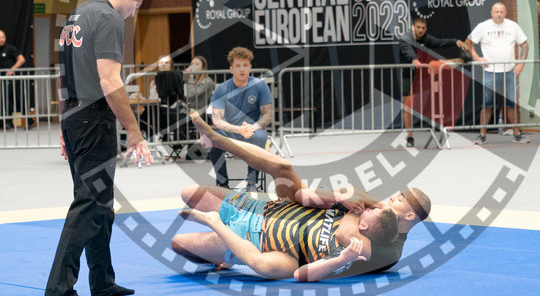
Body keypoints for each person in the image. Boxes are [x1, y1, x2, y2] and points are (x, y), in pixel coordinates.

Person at [173, 111, 431, 282]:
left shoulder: (391, 250)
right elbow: (310, 194)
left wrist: (357, 208)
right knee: (280, 169)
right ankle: (217, 140)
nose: (390, 199)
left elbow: (343, 236)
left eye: (398, 198)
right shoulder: (374, 209)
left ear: (409, 215)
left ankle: (224, 251)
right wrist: (348, 200)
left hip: (280, 244)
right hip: (284, 210)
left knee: (179, 244)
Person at [44, 0, 153, 296]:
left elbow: (63, 74)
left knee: (101, 203)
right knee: (90, 202)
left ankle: (102, 280)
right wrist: (133, 129)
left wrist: (65, 125)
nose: (134, 14)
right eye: (136, 5)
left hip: (75, 115)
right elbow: (109, 80)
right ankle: (60, 288)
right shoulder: (107, 17)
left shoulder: (75, 16)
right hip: (94, 119)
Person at [459, 2, 531, 144]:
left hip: (509, 73)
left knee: (511, 105)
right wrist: (477, 58)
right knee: (487, 105)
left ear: (505, 13)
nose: (499, 14)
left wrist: (521, 63)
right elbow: (468, 43)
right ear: (491, 13)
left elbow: (525, 45)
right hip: (490, 73)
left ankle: (517, 135)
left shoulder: (513, 26)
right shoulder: (483, 26)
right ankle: (482, 135)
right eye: (496, 11)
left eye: (501, 11)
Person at [207, 47, 273, 190]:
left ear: (250, 67)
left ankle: (252, 182)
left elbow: (268, 114)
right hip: (230, 131)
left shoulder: (260, 86)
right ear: (231, 69)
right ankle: (222, 183)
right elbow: (216, 120)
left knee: (260, 137)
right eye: (238, 66)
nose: (242, 69)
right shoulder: (222, 89)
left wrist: (253, 127)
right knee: (212, 138)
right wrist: (238, 129)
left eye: (245, 65)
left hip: (252, 130)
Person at [397, 16, 467, 147]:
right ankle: (410, 137)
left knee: (436, 65)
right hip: (409, 75)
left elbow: (439, 42)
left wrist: (455, 41)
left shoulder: (425, 38)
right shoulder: (405, 40)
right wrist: (415, 61)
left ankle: (461, 60)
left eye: (423, 28)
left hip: (424, 73)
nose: (420, 30)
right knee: (407, 107)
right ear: (413, 27)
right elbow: (409, 54)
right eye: (418, 27)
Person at [0, 29, 27, 129]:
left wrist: (12, 69)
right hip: (2, 79)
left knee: (15, 99)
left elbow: (21, 59)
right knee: (4, 99)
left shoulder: (10, 48)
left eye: (3, 37)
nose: (1, 40)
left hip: (12, 79)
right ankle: (8, 121)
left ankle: (28, 119)